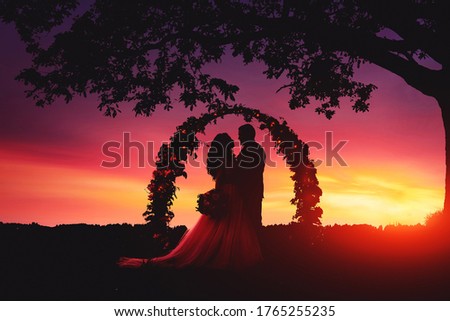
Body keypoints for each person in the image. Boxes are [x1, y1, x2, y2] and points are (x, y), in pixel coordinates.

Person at [119, 133, 262, 269]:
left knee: (230, 226)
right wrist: (219, 196)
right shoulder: (225, 160)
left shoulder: (229, 158)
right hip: (229, 194)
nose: (232, 146)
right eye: (230, 144)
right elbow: (220, 180)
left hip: (234, 195)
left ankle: (226, 253)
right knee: (224, 225)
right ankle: (221, 255)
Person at [236, 124, 266, 230]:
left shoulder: (250, 150)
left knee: (250, 224)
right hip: (254, 191)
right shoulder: (257, 149)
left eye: (240, 135)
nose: (239, 138)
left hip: (248, 192)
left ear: (247, 135)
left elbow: (244, 173)